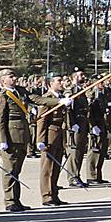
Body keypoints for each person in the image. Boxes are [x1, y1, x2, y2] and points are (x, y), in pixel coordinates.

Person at [0, 69, 32, 213]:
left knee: (17, 170)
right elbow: (1, 120)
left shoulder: (20, 92)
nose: (14, 78)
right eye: (11, 77)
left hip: (22, 135)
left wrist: (58, 101)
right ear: (3, 80)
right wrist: (2, 139)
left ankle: (16, 200)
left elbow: (36, 99)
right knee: (10, 170)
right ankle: (10, 201)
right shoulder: (3, 96)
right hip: (11, 136)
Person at [35, 74, 72, 206]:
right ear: (51, 83)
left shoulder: (61, 98)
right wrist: (40, 139)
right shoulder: (47, 98)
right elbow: (42, 120)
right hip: (50, 135)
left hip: (59, 135)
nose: (61, 82)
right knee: (47, 167)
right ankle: (47, 196)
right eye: (59, 80)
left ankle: (54, 194)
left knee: (56, 167)